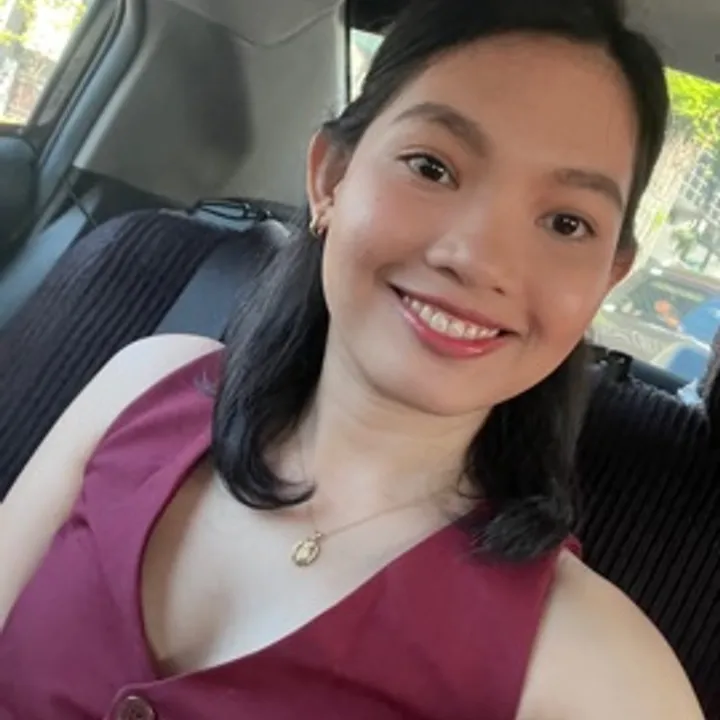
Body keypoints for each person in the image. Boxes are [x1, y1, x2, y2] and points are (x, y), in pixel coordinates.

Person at [0, 0, 706, 718]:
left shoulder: (602, 672)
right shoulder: (142, 386)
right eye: (432, 167)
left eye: (567, 223)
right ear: (330, 177)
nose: (477, 259)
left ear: (607, 278)